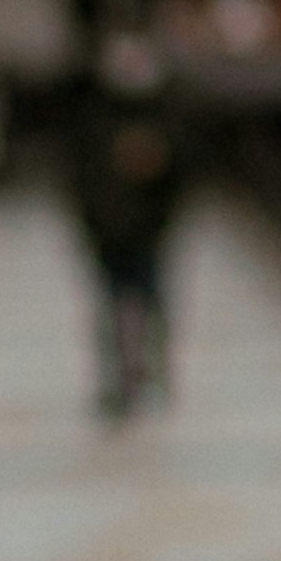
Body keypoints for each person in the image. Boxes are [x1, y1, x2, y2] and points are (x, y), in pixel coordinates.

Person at [64, 31, 185, 416]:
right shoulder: (95, 115)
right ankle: (117, 377)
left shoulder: (166, 112)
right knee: (112, 304)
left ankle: (153, 368)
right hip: (108, 229)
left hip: (149, 229)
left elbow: (185, 173)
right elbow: (80, 175)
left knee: (151, 301)